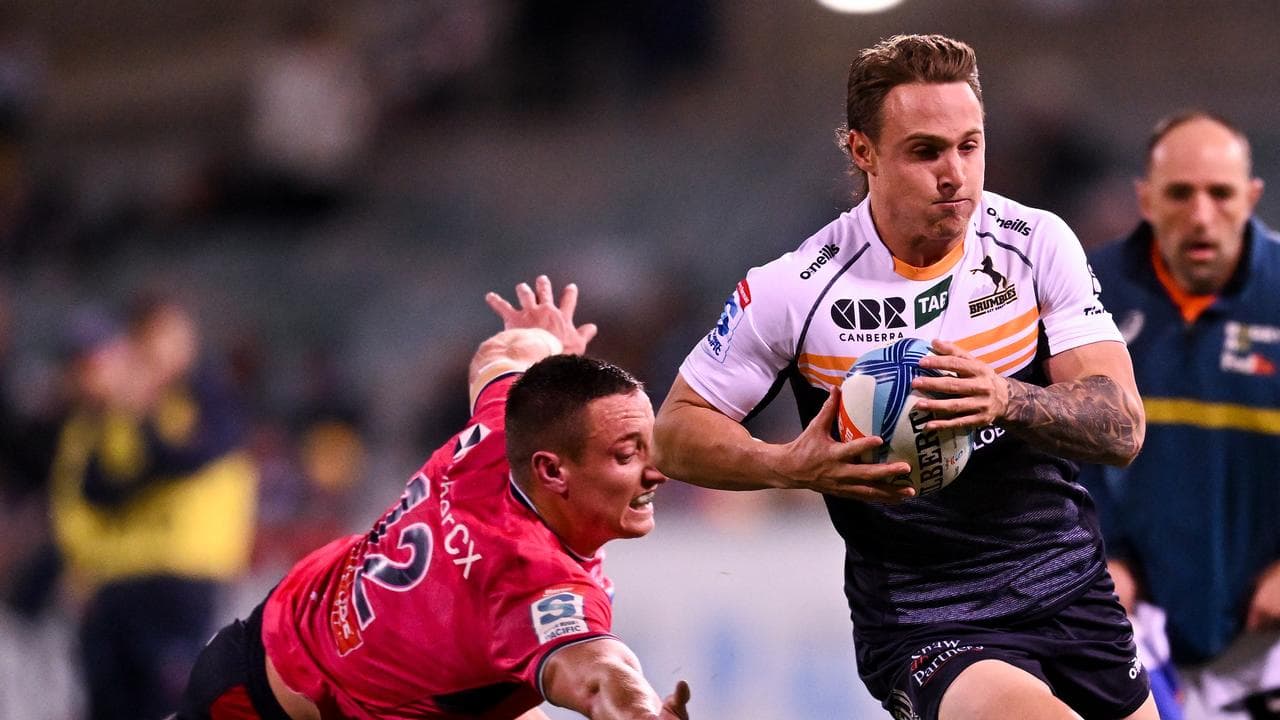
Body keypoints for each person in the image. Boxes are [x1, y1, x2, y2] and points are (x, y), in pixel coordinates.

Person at [653, 34, 1157, 720]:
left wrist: (1007, 397)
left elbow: (1122, 427)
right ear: (863, 151)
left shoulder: (1036, 245)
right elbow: (675, 434)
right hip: (927, 618)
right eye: (926, 151)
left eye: (970, 146)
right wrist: (788, 464)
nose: (956, 174)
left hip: (1071, 591)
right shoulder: (794, 289)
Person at [178, 275, 691, 720]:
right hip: (265, 704)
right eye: (628, 454)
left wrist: (548, 346)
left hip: (284, 636)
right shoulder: (531, 577)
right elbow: (599, 675)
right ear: (553, 471)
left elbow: (501, 355)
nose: (655, 472)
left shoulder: (506, 427)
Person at [1079, 111, 1280, 720]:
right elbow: (1050, 450)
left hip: (1267, 639)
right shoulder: (1086, 296)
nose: (1200, 215)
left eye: (1220, 194)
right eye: (1179, 194)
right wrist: (1101, 555)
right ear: (1145, 199)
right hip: (1132, 631)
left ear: (1251, 197)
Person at [51, 296, 258, 720]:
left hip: (185, 572)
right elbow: (97, 489)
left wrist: (142, 419)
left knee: (168, 701)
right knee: (112, 701)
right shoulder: (115, 412)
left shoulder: (204, 396)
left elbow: (189, 457)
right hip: (119, 576)